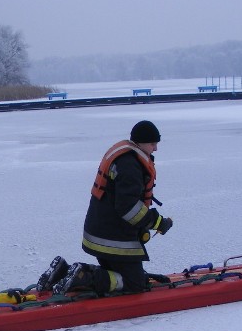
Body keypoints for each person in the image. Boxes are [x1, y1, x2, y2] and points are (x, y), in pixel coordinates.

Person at [39, 120, 174, 296]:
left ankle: (62, 272)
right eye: (152, 144)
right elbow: (128, 208)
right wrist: (157, 222)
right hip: (113, 241)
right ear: (140, 142)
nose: (155, 148)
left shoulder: (124, 158)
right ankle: (84, 276)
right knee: (135, 284)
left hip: (99, 233)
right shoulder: (130, 165)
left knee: (119, 274)